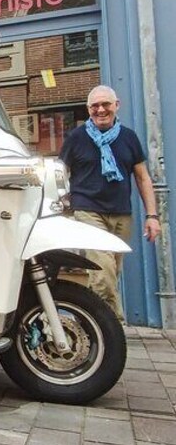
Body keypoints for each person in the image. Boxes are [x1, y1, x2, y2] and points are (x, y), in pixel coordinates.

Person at [59, 85, 161, 320]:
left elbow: (143, 178)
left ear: (117, 105)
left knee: (111, 271)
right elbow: (60, 173)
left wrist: (152, 216)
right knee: (102, 273)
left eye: (106, 104)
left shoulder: (128, 138)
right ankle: (112, 327)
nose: (101, 109)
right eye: (95, 106)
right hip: (87, 211)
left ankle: (91, 321)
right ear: (88, 109)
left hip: (121, 214)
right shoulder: (76, 138)